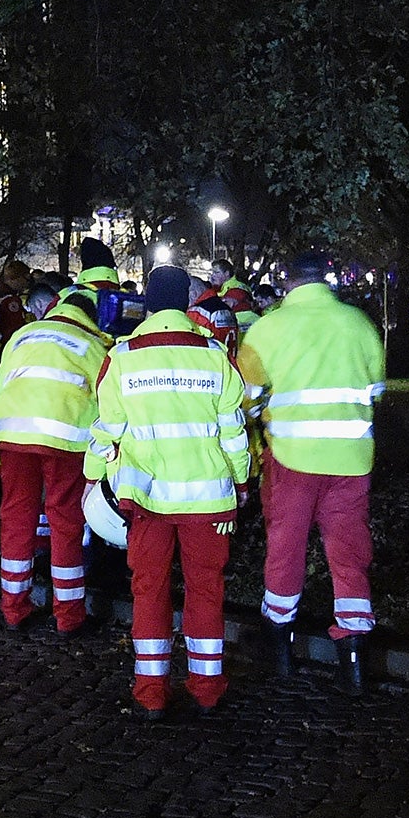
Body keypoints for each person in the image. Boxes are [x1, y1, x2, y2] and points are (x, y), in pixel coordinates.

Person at [87, 265, 250, 719]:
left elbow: (107, 431)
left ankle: (151, 692)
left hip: (146, 501)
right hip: (210, 500)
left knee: (149, 590)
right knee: (206, 590)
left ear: (149, 303)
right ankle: (206, 688)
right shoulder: (215, 356)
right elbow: (234, 434)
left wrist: (92, 474)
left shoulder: (123, 357)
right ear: (187, 302)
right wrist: (240, 482)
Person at [238, 251, 386, 694]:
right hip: (351, 459)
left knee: (285, 548)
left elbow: (247, 399)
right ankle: (354, 660)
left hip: (291, 458)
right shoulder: (358, 324)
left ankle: (279, 651)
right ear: (326, 280)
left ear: (287, 283)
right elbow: (376, 389)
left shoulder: (267, 328)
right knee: (349, 552)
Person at [0, 280, 105, 635]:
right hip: (64, 440)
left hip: (13, 435)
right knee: (65, 523)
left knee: (17, 519)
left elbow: (1, 384)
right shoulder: (93, 344)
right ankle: (68, 616)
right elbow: (107, 403)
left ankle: (12, 608)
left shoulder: (23, 335)